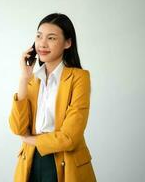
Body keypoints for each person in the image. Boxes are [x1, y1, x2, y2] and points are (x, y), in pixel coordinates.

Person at [8, 13, 96, 182]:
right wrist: (24, 79)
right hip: (31, 161)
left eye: (51, 38)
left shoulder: (79, 78)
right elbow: (18, 128)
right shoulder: (32, 80)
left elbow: (69, 138)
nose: (42, 43)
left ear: (68, 43)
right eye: (39, 36)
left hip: (66, 162)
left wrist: (29, 139)